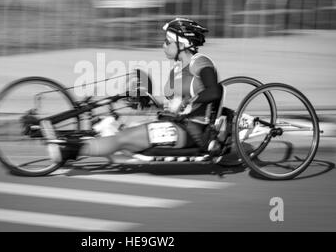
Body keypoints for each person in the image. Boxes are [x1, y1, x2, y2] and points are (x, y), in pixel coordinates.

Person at [46, 18, 224, 163]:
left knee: (122, 139)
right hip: (174, 124)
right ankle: (75, 145)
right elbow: (169, 105)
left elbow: (214, 92)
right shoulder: (175, 70)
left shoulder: (199, 62)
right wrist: (146, 99)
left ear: (182, 43)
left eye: (167, 41)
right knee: (116, 131)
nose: (163, 45)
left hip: (190, 131)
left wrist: (189, 102)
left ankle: (70, 151)